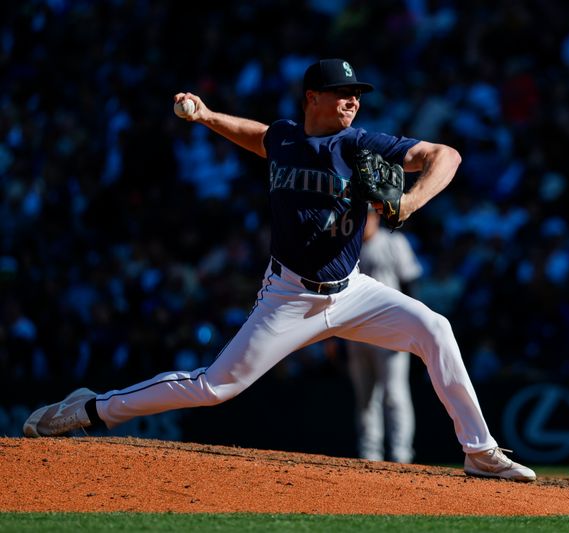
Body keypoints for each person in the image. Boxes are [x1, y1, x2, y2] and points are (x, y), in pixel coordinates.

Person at [23, 58, 535, 482]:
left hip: (352, 290)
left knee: (435, 328)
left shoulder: (356, 145)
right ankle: (90, 409)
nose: (353, 101)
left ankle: (479, 450)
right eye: (342, 92)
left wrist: (413, 199)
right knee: (213, 388)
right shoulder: (287, 138)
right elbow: (260, 137)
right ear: (312, 97)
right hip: (288, 296)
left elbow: (445, 154)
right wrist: (206, 117)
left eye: (357, 93)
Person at [347, 208, 421, 463]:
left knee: (395, 394)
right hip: (356, 332)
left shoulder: (393, 242)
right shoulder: (348, 246)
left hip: (392, 330)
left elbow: (410, 283)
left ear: (377, 217)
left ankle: (401, 454)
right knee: (365, 397)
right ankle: (369, 454)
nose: (365, 220)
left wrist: (412, 327)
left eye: (368, 215)